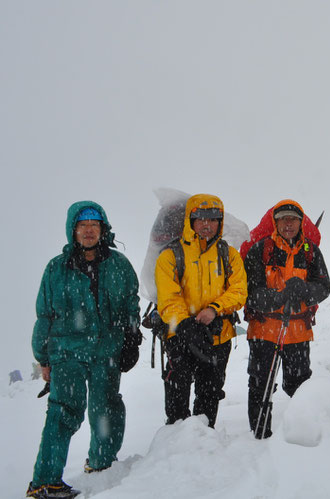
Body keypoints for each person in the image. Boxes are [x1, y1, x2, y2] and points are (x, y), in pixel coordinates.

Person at [27, 202, 141, 499]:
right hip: (67, 353)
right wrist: (43, 358)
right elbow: (45, 315)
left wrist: (132, 336)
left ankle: (102, 464)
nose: (88, 230)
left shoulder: (119, 265)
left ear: (103, 230)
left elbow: (131, 303)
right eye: (82, 225)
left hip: (107, 351)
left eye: (94, 225)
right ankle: (45, 482)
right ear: (73, 230)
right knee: (63, 413)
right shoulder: (57, 269)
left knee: (106, 407)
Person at [154, 194, 247, 427]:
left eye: (213, 219)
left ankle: (204, 444)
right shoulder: (170, 256)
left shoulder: (229, 255)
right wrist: (186, 325)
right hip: (180, 338)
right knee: (177, 401)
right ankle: (175, 447)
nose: (207, 225)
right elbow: (168, 297)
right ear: (190, 220)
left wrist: (214, 310)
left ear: (220, 222)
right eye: (201, 219)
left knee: (209, 397)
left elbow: (239, 291)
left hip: (218, 335)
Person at [243, 200, 330, 438]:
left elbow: (324, 287)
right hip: (264, 330)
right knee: (261, 384)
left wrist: (303, 290)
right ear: (275, 222)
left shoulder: (310, 251)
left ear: (301, 223)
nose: (288, 224)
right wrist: (280, 297)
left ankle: (302, 435)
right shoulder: (261, 249)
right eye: (283, 219)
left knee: (299, 386)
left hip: (299, 331)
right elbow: (251, 293)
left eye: (293, 219)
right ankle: (260, 435)